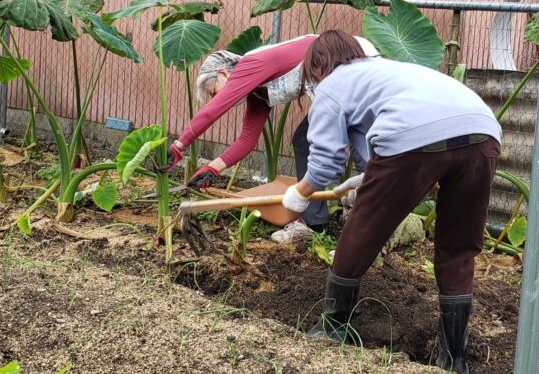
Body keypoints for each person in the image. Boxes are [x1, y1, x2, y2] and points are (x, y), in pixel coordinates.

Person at [281, 30, 501, 374]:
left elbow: (325, 163)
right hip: (482, 130)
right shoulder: (389, 73)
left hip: (413, 137)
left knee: (361, 229)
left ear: (318, 66)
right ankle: (453, 357)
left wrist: (300, 193)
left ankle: (335, 328)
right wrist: (367, 182)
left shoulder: (332, 86)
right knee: (458, 246)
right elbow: (377, 157)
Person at [158, 33, 377, 243]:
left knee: (352, 136)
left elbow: (213, 110)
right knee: (303, 140)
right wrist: (212, 169)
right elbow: (247, 140)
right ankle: (315, 224)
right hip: (331, 74)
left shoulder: (250, 64)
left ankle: (378, 212)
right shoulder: (257, 92)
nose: (217, 97)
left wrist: (179, 146)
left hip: (347, 58)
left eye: (214, 91)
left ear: (223, 73)